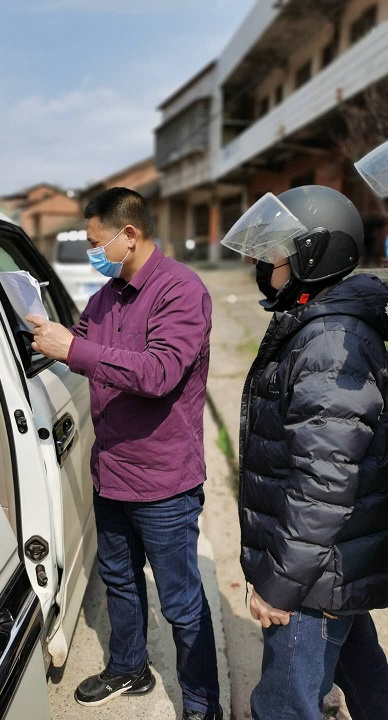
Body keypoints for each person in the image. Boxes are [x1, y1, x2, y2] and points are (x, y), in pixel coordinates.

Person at [26, 187, 222, 720]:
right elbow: (81, 343)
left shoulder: (181, 291)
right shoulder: (106, 296)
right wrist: (49, 335)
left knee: (182, 603)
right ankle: (128, 666)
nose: (93, 251)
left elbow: (159, 373)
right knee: (119, 579)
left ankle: (203, 703)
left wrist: (76, 348)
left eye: (96, 242)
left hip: (163, 483)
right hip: (110, 471)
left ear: (127, 235)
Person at [221, 185, 388, 720]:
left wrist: (279, 588)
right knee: (362, 672)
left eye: (275, 256)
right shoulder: (317, 328)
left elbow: (323, 483)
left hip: (313, 573)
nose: (264, 267)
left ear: (313, 257)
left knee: (283, 703)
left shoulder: (329, 341)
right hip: (333, 563)